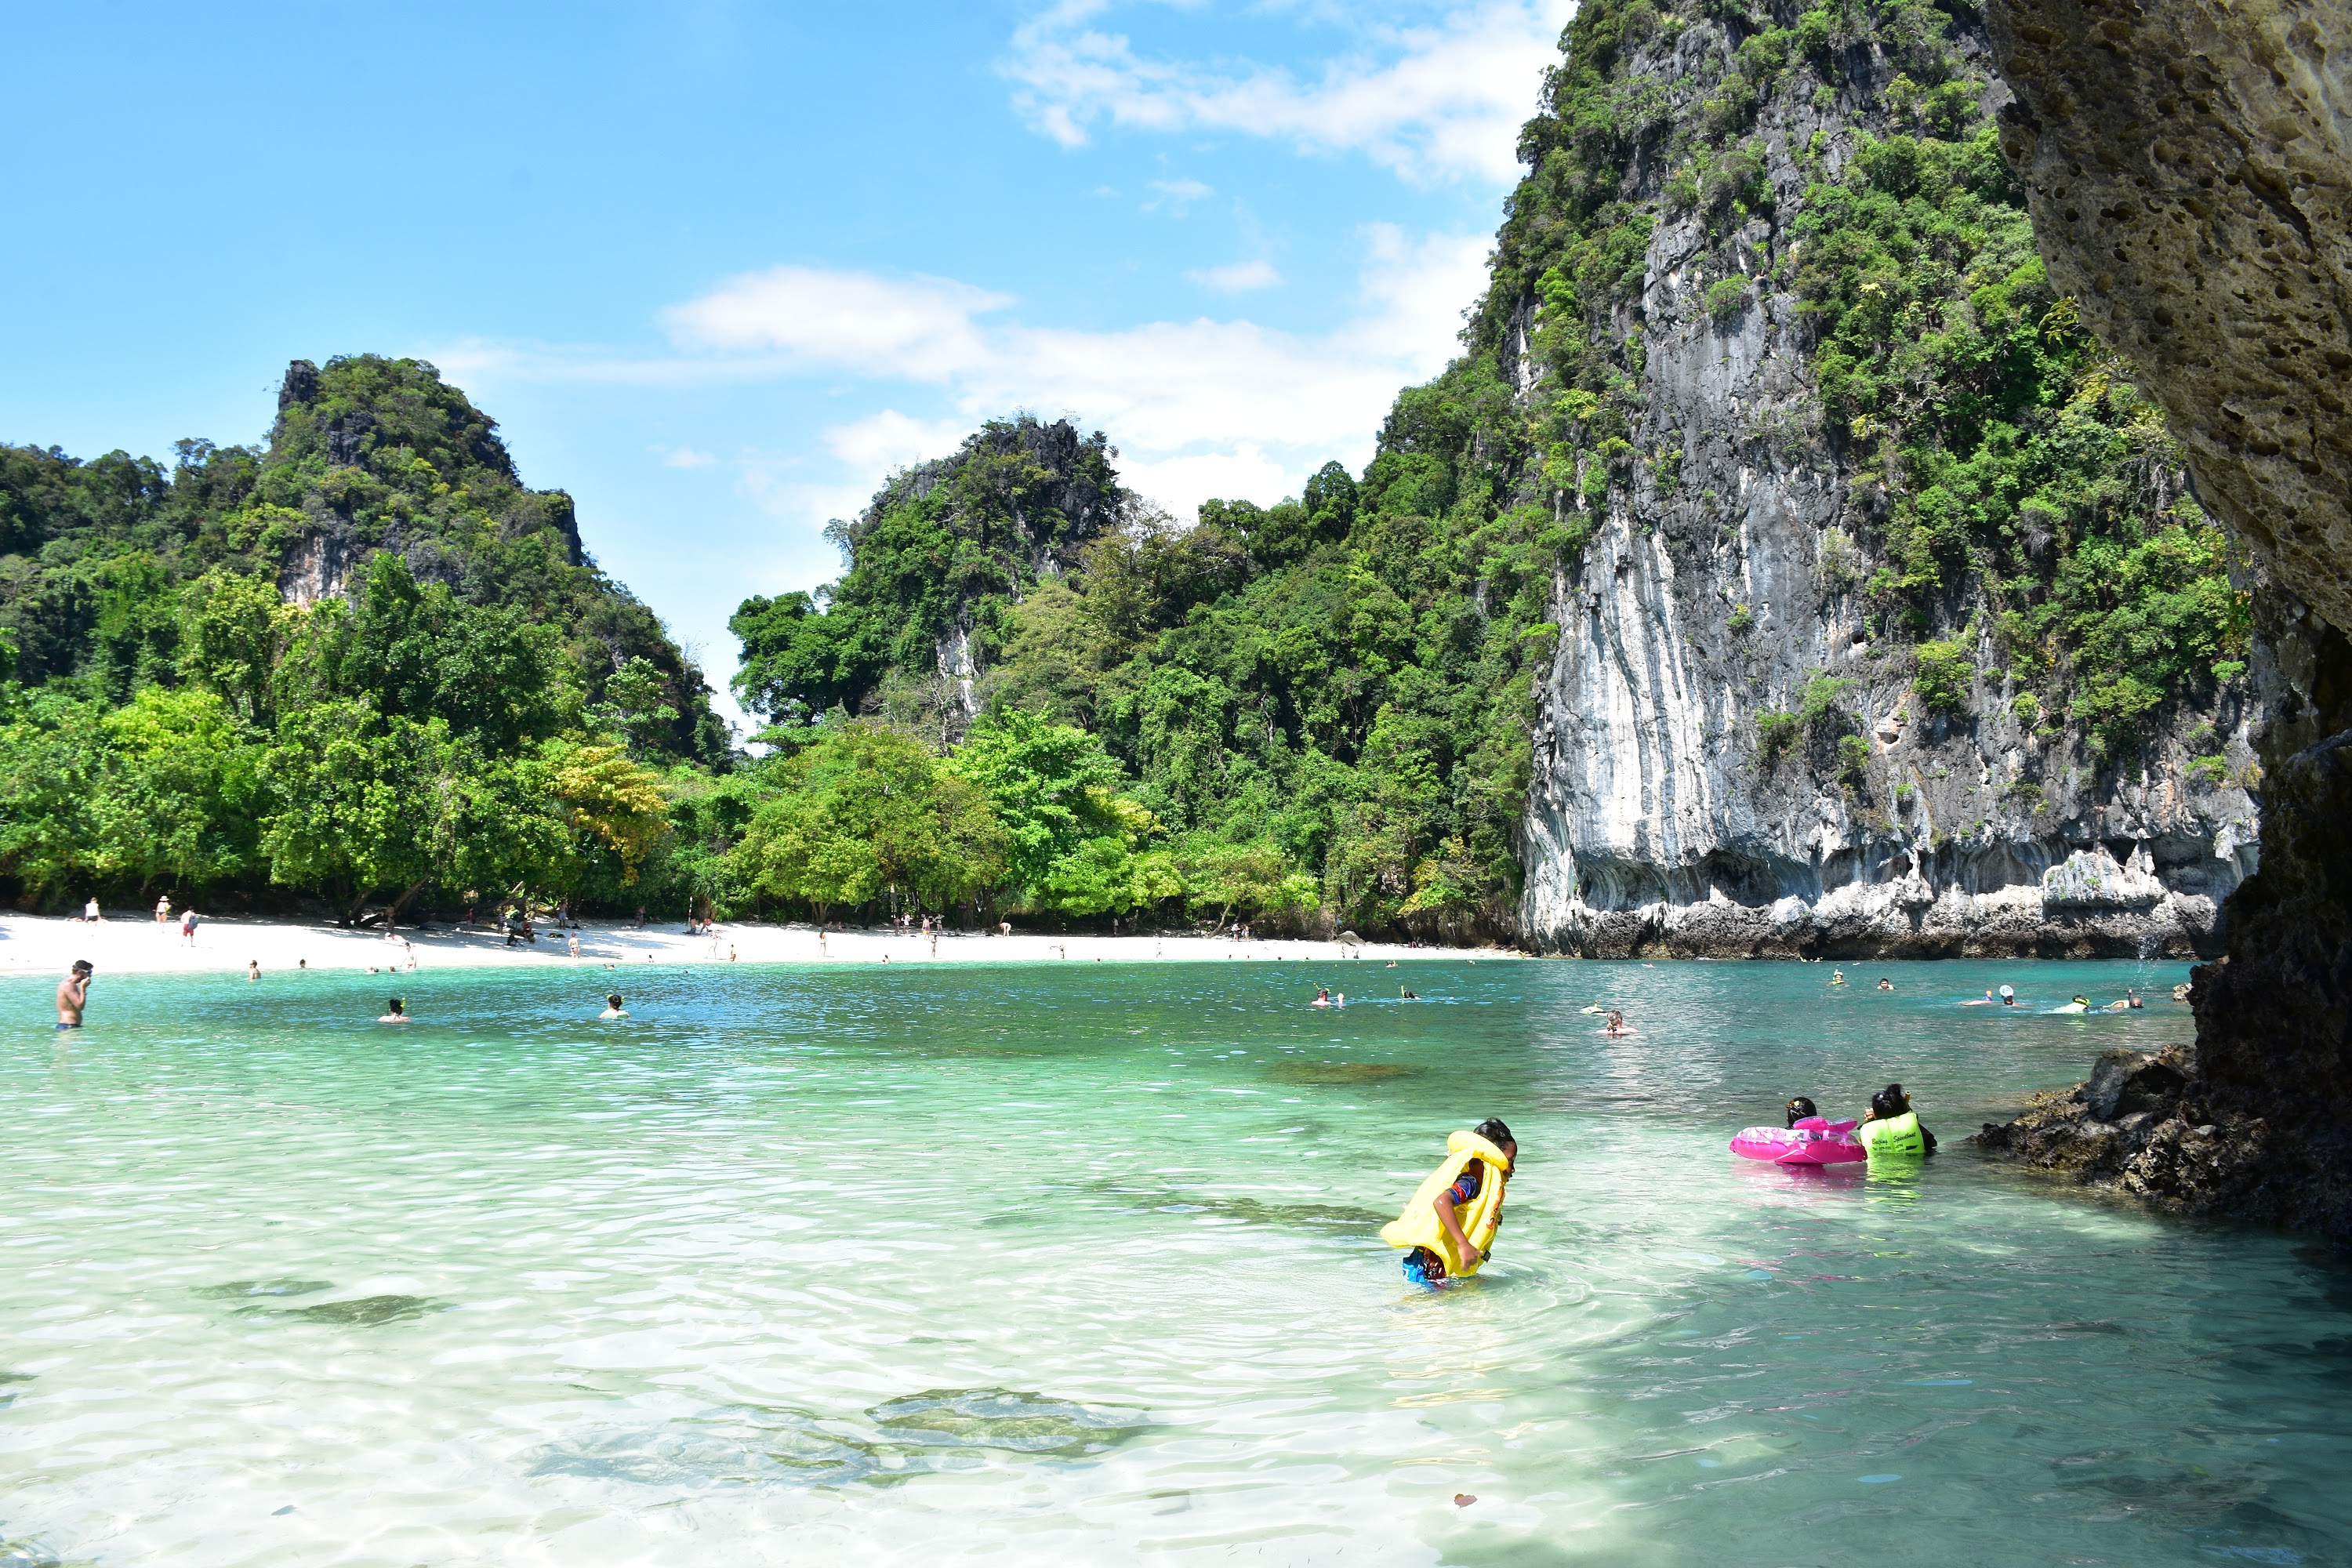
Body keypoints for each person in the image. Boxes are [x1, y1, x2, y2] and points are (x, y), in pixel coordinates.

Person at [1392, 1119, 1519, 1287]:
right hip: (1432, 1267)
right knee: (1427, 1307)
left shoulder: (1479, 1186)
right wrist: (1463, 1244)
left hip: (1435, 1266)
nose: (1512, 1169)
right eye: (1509, 1162)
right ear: (1489, 1159)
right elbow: (1441, 1201)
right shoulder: (1470, 1184)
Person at [1858, 1083, 1936, 1158]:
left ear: (1874, 1113)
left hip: (1878, 1170)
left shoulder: (1866, 1130)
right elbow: (1933, 1143)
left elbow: (1860, 1149)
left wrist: (1869, 1122)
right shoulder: (1916, 1129)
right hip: (1915, 1168)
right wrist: (1908, 1113)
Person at [56, 960, 92, 1029]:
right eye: (89, 973)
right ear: (80, 973)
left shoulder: (70, 984)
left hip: (70, 1026)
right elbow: (80, 1006)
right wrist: (83, 988)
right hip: (68, 1026)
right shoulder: (68, 985)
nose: (90, 976)